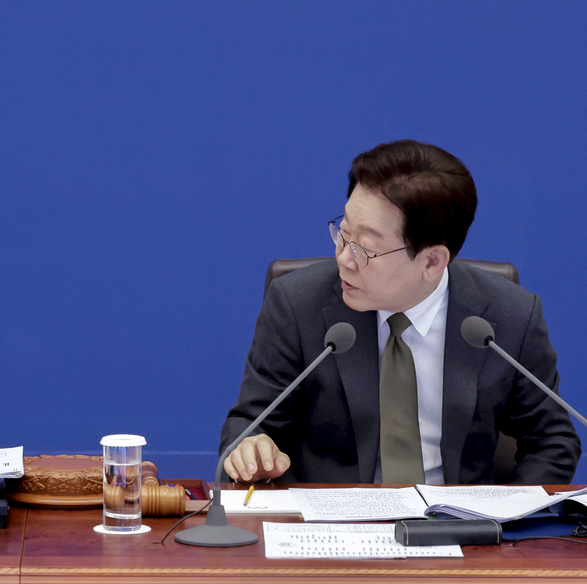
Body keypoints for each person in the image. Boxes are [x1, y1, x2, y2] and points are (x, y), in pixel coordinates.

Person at [221, 140, 579, 484]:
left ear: (432, 262)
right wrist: (251, 449)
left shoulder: (509, 316)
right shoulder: (298, 304)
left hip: (460, 520)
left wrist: (507, 517)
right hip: (332, 521)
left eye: (365, 249)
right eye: (343, 234)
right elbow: (249, 425)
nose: (344, 258)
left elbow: (553, 442)